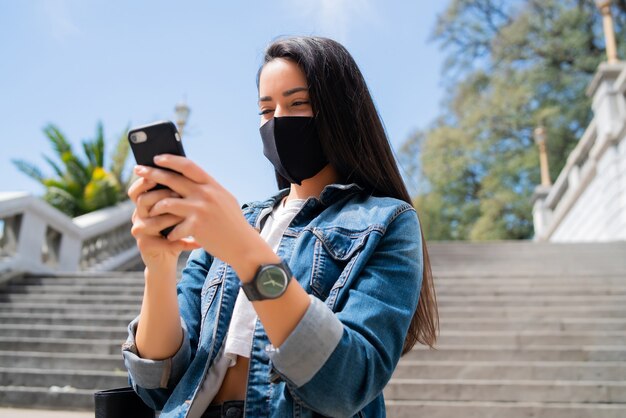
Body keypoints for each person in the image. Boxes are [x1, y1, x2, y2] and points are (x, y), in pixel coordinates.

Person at [122, 36, 439, 418]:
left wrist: (244, 251)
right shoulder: (238, 221)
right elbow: (157, 383)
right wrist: (158, 265)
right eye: (266, 110)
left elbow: (349, 381)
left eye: (297, 104)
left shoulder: (387, 221)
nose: (278, 122)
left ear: (338, 111)